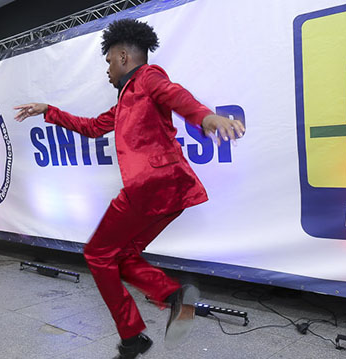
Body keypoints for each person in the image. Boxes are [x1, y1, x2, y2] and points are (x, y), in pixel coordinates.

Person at [14, 19, 245, 358]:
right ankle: (140, 331)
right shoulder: (125, 100)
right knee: (118, 256)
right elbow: (92, 128)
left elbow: (176, 96)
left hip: (151, 186)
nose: (107, 70)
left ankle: (164, 302)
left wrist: (206, 117)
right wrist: (50, 111)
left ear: (123, 56)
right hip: (170, 190)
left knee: (96, 253)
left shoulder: (149, 78)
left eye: (108, 61)